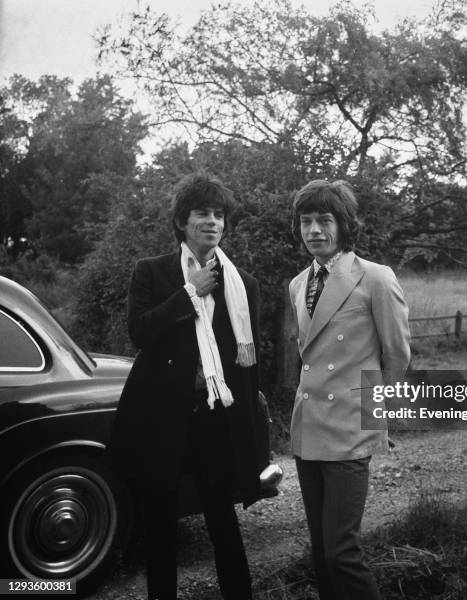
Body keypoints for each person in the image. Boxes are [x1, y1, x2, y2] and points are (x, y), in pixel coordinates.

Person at [108, 173, 262, 600]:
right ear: (181, 221)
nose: (212, 222)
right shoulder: (152, 272)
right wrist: (188, 294)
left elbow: (248, 368)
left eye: (219, 215)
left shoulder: (243, 284)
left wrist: (250, 433)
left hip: (216, 417)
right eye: (202, 214)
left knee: (223, 524)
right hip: (163, 419)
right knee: (160, 525)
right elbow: (139, 332)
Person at [289, 179, 411, 600]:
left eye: (324, 220)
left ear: (343, 225)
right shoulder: (296, 284)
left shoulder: (375, 278)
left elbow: (396, 357)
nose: (314, 230)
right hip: (308, 432)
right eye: (306, 221)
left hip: (349, 432)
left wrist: (378, 420)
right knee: (321, 552)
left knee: (343, 551)